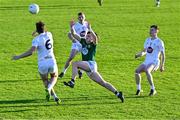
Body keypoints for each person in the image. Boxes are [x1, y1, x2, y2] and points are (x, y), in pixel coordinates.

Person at [64, 29, 124, 103]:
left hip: (91, 64)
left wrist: (90, 28)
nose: (87, 37)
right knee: (103, 83)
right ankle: (118, 93)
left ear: (92, 39)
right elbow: (74, 34)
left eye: (89, 36)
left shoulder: (93, 44)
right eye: (87, 36)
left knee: (75, 63)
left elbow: (95, 38)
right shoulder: (83, 41)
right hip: (89, 69)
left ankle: (72, 81)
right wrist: (71, 27)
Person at [12, 21, 60, 104]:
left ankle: (52, 94)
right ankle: (52, 93)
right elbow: (43, 30)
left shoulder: (36, 39)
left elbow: (31, 52)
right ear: (44, 28)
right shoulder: (49, 34)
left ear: (37, 30)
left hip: (42, 63)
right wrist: (37, 30)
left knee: (45, 80)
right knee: (54, 76)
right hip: (51, 61)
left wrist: (18, 57)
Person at [58, 12, 92, 79]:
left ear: (84, 17)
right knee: (71, 57)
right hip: (77, 44)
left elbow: (90, 33)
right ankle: (63, 72)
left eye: (82, 17)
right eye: (79, 17)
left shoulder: (87, 24)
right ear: (78, 18)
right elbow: (69, 34)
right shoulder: (76, 25)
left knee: (86, 59)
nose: (81, 18)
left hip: (84, 43)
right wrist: (72, 39)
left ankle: (81, 72)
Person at [135, 25, 165, 96]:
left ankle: (153, 89)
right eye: (150, 30)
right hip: (147, 61)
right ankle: (139, 89)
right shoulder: (147, 40)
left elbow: (163, 54)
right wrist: (139, 54)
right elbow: (145, 51)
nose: (150, 31)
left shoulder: (159, 42)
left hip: (155, 61)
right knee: (137, 71)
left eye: (152, 30)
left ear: (156, 31)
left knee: (147, 71)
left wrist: (162, 65)